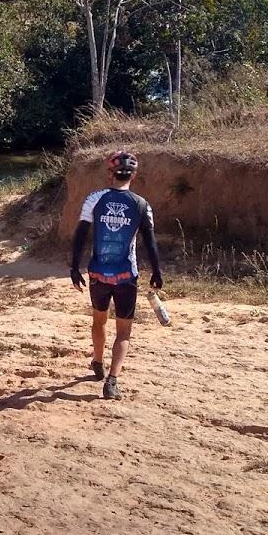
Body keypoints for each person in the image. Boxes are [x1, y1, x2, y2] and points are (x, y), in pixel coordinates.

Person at [69, 150, 163, 400]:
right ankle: (112, 382)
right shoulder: (142, 205)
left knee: (99, 321)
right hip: (126, 276)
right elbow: (150, 242)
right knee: (123, 332)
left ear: (110, 173)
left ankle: (97, 362)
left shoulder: (94, 199)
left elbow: (80, 235)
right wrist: (157, 271)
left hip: (98, 274)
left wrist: (74, 267)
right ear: (134, 175)